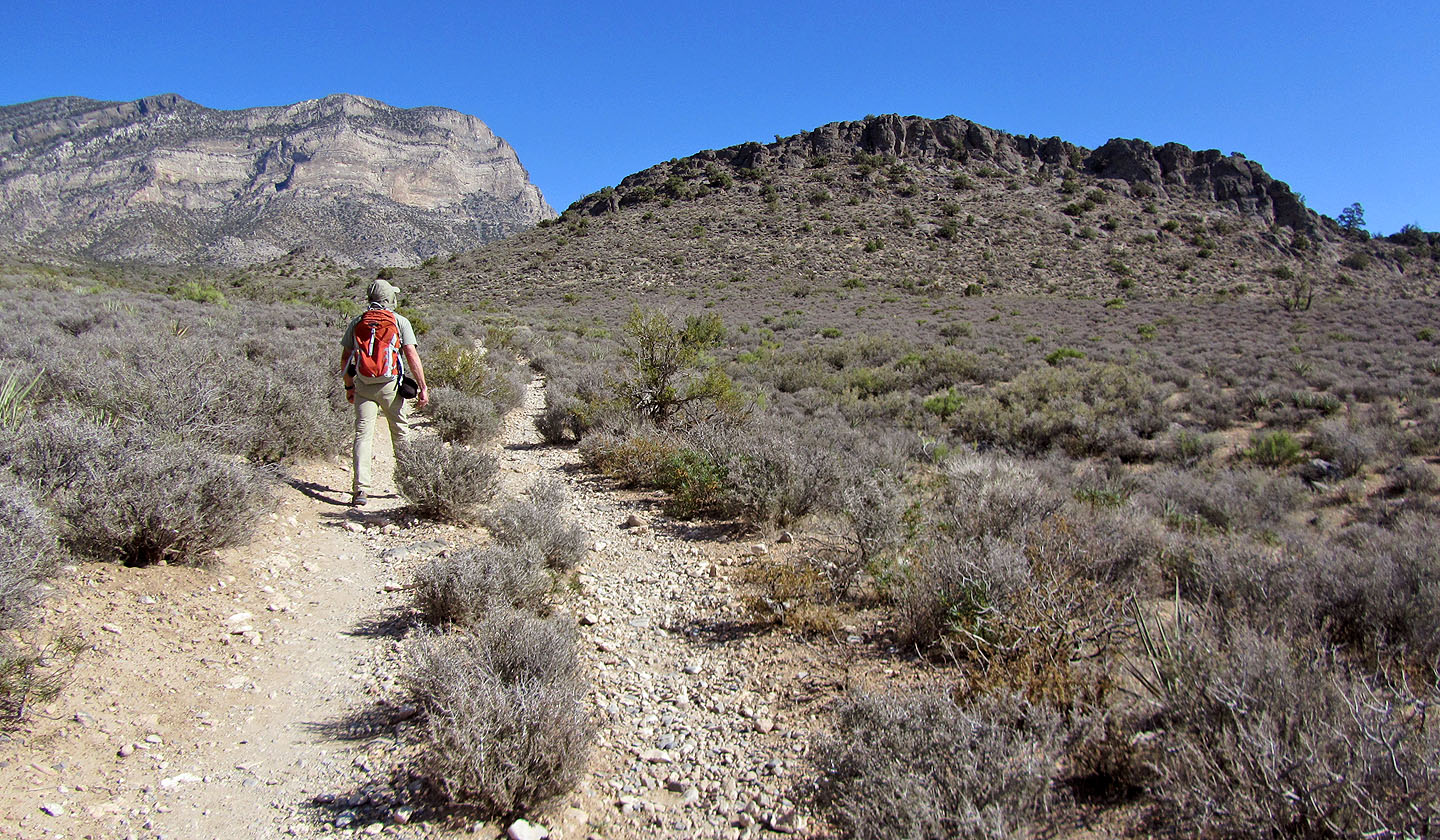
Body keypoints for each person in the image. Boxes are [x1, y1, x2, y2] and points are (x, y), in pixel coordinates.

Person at [340, 278, 428, 506]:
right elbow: (411, 355)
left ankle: (360, 490)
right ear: (390, 298)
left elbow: (345, 358)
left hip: (363, 386)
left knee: (362, 435)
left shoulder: (358, 321)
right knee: (400, 433)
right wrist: (423, 386)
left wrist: (349, 386)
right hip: (390, 386)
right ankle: (408, 482)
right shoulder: (400, 321)